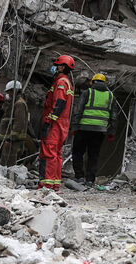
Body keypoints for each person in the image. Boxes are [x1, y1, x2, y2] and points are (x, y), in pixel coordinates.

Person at [70, 73, 117, 188]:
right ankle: (90, 180)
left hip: (83, 128)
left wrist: (75, 126)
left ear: (93, 82)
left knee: (78, 152)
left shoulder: (88, 93)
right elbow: (114, 116)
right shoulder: (111, 96)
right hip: (100, 131)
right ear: (104, 83)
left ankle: (79, 177)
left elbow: (78, 110)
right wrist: (112, 131)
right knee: (93, 155)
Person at [39, 55, 76, 190]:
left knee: (49, 153)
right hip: (61, 124)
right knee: (56, 154)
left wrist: (49, 120)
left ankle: (47, 185)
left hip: (55, 124)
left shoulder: (61, 82)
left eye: (57, 65)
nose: (54, 67)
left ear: (62, 67)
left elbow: (59, 103)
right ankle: (54, 183)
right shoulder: (66, 82)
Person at [0, 80, 33, 167]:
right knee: (5, 161)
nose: (8, 94)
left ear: (15, 91)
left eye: (9, 92)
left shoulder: (19, 104)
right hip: (9, 139)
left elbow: (19, 122)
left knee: (9, 162)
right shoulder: (13, 103)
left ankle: (8, 179)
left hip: (13, 140)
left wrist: (10, 139)